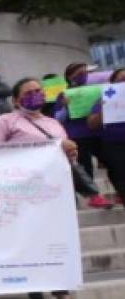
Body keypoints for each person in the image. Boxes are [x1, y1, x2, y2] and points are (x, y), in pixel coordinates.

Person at [0, 77, 101, 299]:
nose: (36, 94)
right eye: (29, 92)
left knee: (56, 246)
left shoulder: (53, 123)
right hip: (21, 196)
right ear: (16, 100)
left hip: (55, 196)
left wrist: (70, 151)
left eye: (39, 91)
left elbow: (65, 158)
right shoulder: (5, 121)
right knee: (29, 247)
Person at [54, 62, 113, 209]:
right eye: (79, 74)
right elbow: (57, 118)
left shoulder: (95, 90)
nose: (83, 76)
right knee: (85, 166)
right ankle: (94, 197)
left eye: (85, 73)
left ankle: (117, 191)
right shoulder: (63, 95)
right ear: (69, 77)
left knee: (111, 161)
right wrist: (65, 106)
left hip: (98, 132)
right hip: (78, 134)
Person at [87, 67, 125, 204]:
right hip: (114, 144)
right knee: (119, 174)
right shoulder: (105, 97)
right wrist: (105, 108)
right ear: (113, 83)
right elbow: (92, 124)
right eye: (122, 80)